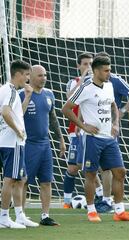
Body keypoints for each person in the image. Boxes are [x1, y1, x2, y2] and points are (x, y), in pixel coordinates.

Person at [62, 55, 129, 222]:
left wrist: (116, 123)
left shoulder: (110, 86)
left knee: (120, 172)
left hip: (109, 138)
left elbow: (113, 105)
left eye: (109, 70)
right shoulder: (85, 87)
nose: (108, 73)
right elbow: (66, 108)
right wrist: (83, 126)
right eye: (106, 70)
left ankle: (119, 211)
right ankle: (91, 211)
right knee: (90, 174)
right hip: (92, 138)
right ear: (96, 71)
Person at [20, 65, 65, 226]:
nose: (44, 78)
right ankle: (21, 215)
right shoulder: (21, 94)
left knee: (46, 181)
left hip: (45, 144)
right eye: (40, 75)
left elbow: (53, 118)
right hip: (28, 144)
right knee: (24, 181)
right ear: (30, 76)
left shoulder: (49, 94)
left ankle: (45, 215)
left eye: (45, 75)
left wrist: (60, 139)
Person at [63, 52, 106, 208]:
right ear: (78, 66)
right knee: (75, 166)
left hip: (93, 132)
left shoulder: (100, 85)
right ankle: (67, 200)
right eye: (85, 64)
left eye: (90, 64)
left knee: (88, 164)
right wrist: (83, 78)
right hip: (76, 130)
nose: (88, 67)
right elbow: (70, 98)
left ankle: (101, 196)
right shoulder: (73, 82)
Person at [0, 60, 38, 228]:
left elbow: (17, 115)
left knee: (21, 178)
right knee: (10, 180)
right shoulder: (11, 91)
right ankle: (4, 216)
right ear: (19, 74)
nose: (28, 79)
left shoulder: (7, 90)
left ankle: (19, 215)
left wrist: (28, 97)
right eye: (27, 75)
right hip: (12, 142)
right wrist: (17, 131)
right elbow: (6, 112)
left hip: (8, 141)